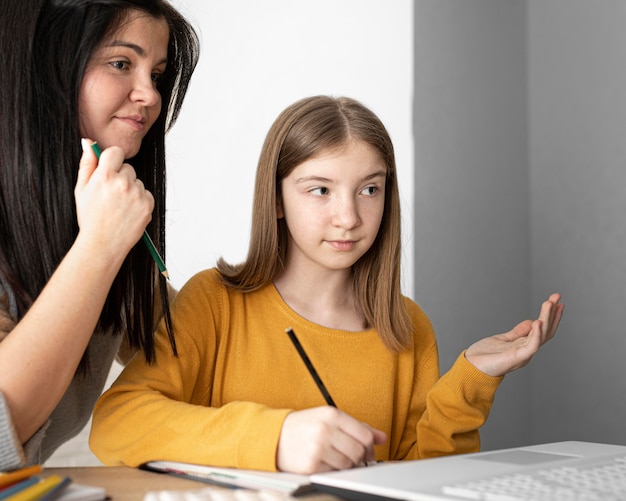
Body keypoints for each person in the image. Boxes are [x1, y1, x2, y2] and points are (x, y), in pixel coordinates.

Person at [89, 96, 564, 474]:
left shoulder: (408, 327)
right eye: (320, 190)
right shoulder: (216, 301)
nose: (349, 218)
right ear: (276, 199)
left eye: (369, 190)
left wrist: (469, 380)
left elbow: (428, 479)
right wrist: (276, 438)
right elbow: (116, 424)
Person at [0, 0, 199, 470]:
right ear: (48, 67)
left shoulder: (94, 204)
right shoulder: (103, 227)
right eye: (120, 63)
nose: (150, 94)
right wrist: (100, 246)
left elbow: (189, 344)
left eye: (157, 72)